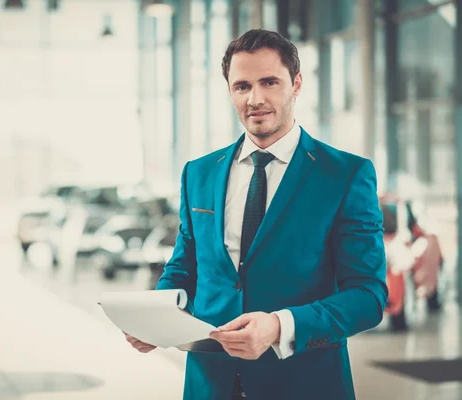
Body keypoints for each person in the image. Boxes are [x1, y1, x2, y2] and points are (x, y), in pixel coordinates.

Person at [125, 29, 387, 400]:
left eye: (269, 82)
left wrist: (279, 326)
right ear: (230, 90)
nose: (256, 99)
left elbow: (367, 295)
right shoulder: (199, 173)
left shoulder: (344, 175)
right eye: (242, 86)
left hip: (304, 384)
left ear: (296, 84)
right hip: (209, 385)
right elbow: (185, 268)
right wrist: (154, 318)